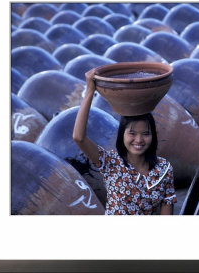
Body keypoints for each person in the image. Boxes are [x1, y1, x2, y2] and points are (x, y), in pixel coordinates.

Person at [73, 68, 177, 215]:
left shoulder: (164, 169)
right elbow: (79, 137)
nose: (139, 140)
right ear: (122, 135)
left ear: (153, 136)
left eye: (145, 134)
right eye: (132, 133)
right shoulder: (110, 162)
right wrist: (90, 90)